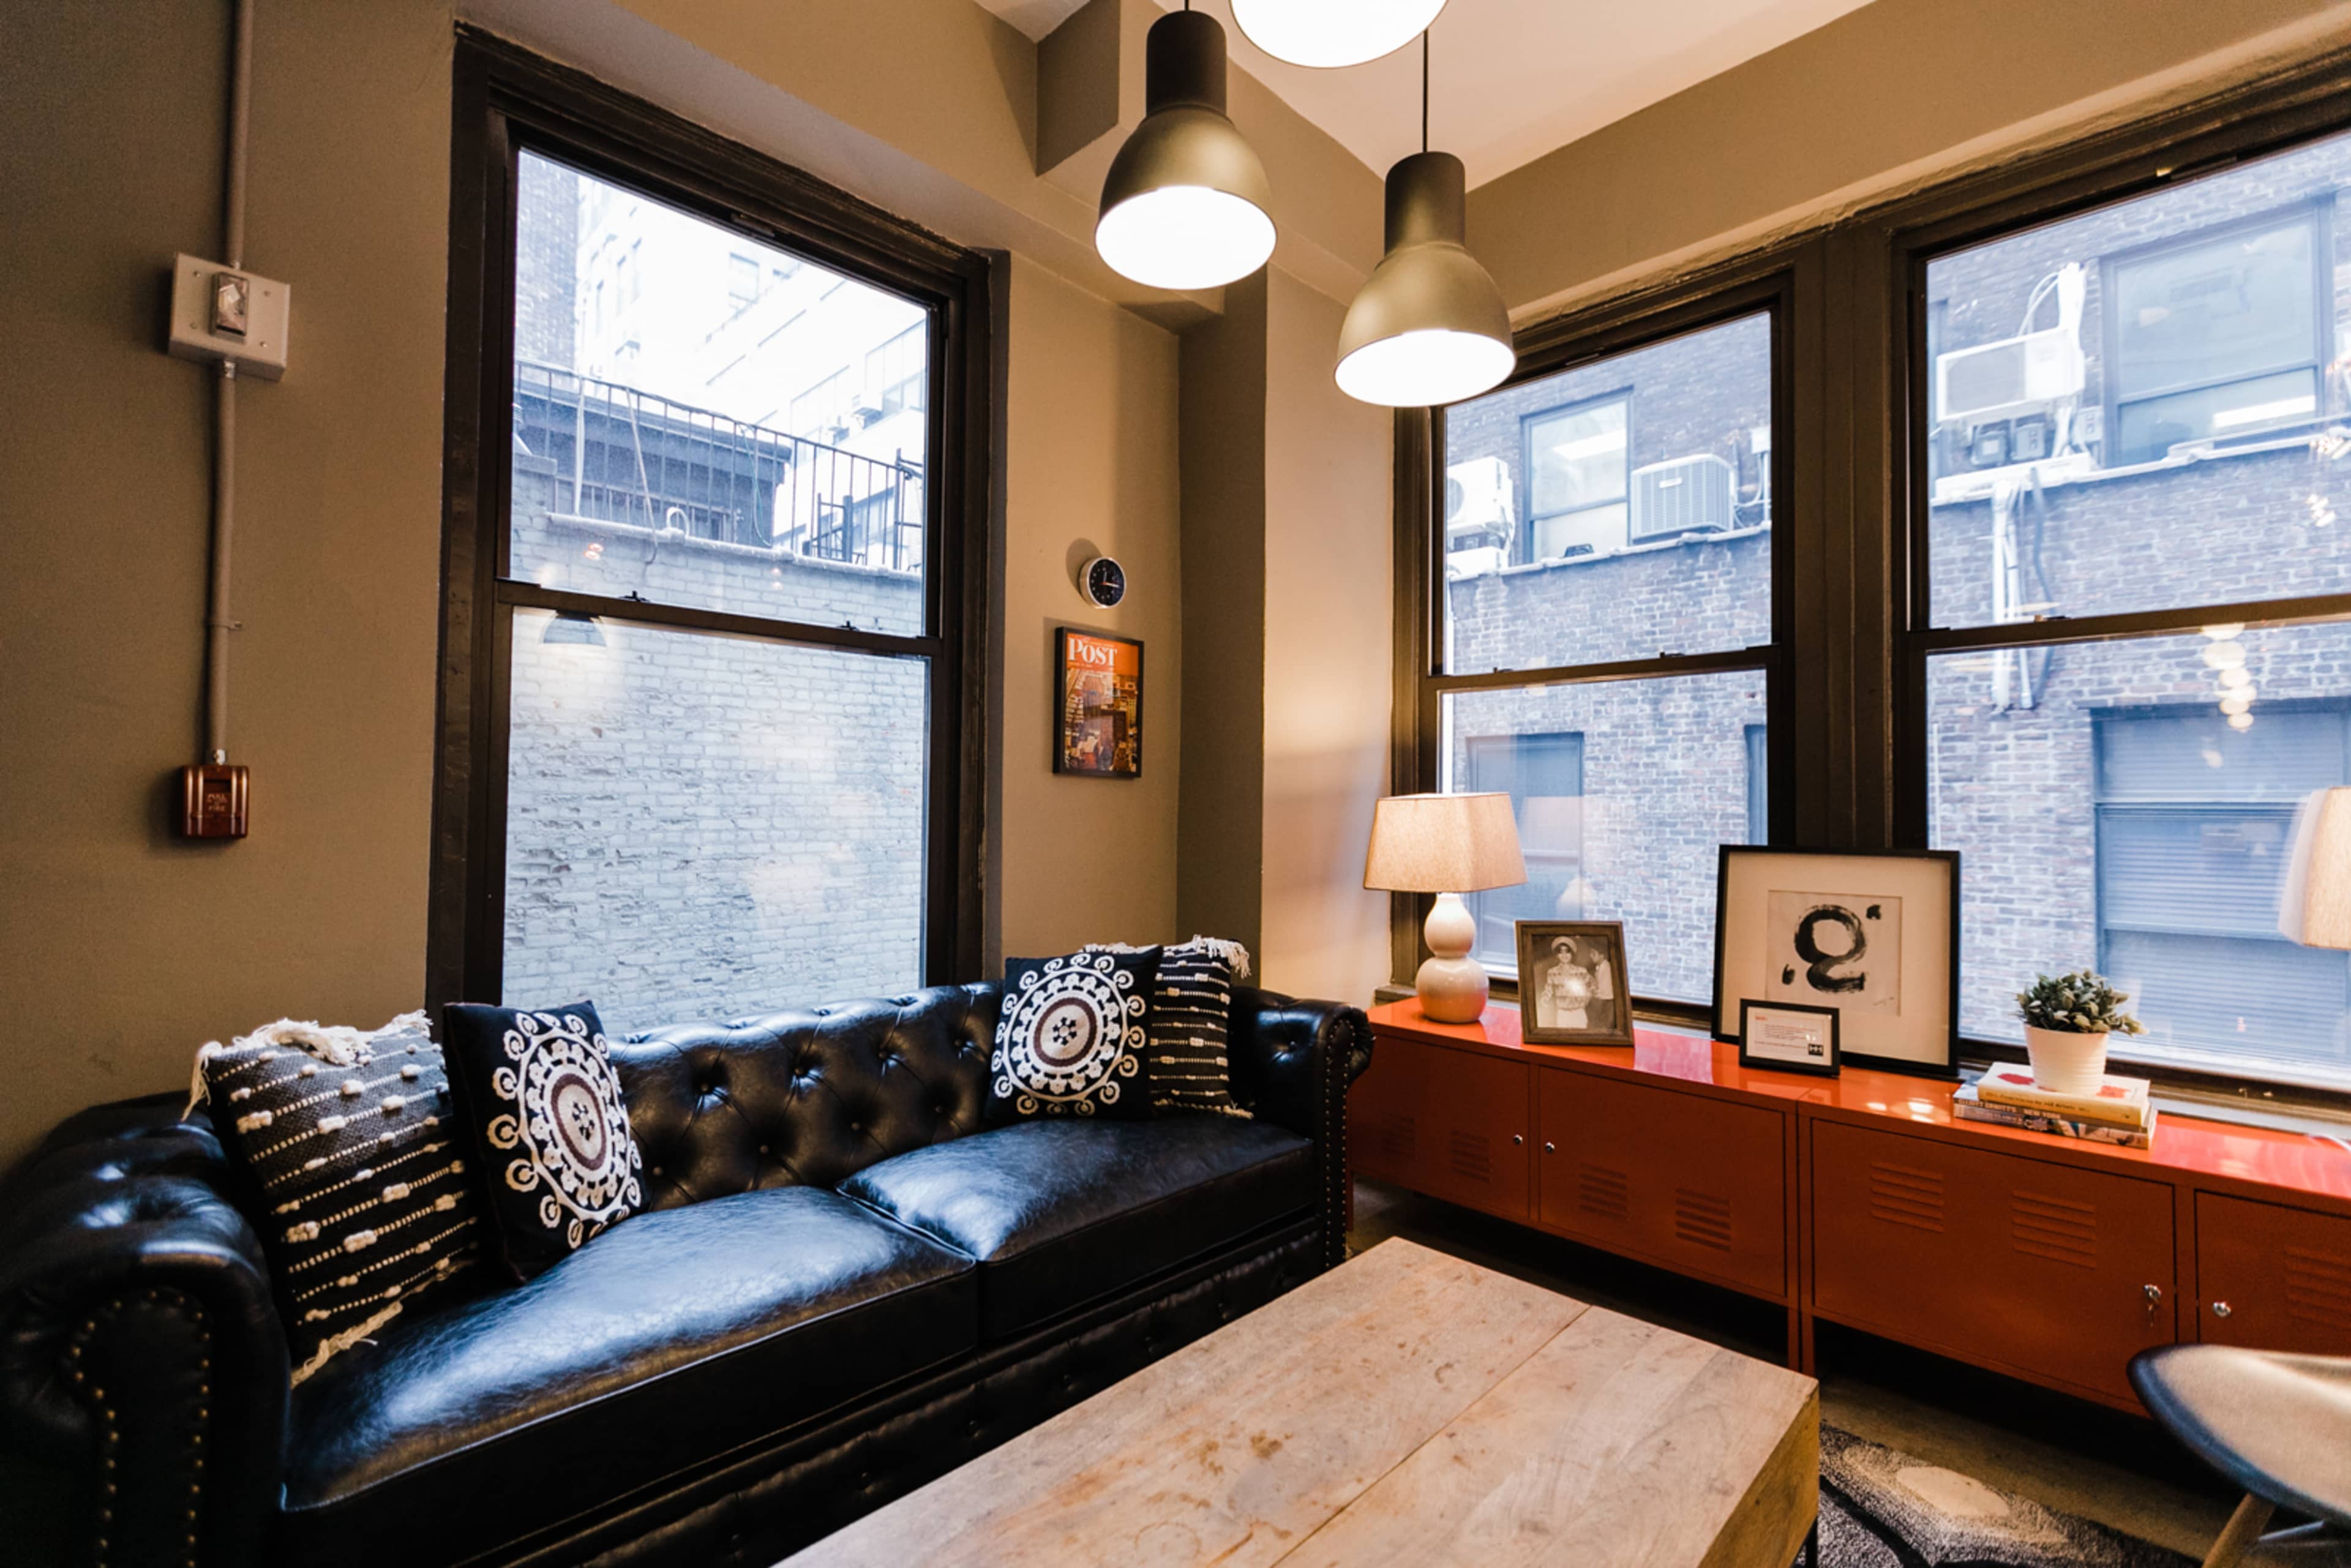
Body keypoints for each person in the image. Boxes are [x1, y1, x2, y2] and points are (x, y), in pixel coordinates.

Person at [1535, 935, 1616, 1032]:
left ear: (1572, 954)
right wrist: (1544, 999)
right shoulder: (1552, 972)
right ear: (1557, 955)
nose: (1564, 955)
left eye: (1567, 952)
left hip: (1579, 1013)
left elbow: (1593, 986)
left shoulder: (1582, 971)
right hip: (1562, 1013)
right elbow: (1548, 990)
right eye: (1561, 952)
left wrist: (1588, 997)